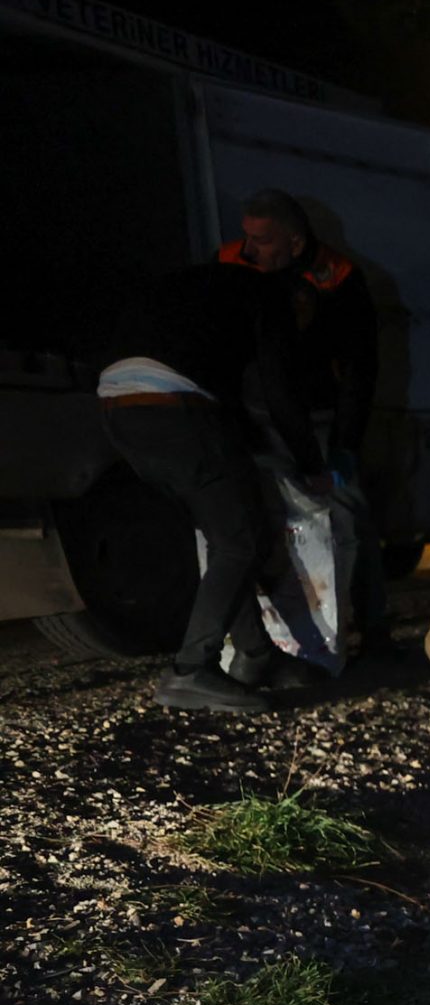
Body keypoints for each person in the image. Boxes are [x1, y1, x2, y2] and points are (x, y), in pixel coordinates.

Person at [95, 263, 331, 712]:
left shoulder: (205, 288)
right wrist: (311, 463)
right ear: (299, 301)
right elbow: (277, 387)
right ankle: (190, 671)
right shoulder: (272, 296)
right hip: (171, 407)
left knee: (227, 538)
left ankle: (257, 656)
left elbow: (224, 395)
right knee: (243, 542)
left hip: (118, 411)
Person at [220, 189, 388, 651]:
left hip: (318, 412)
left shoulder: (338, 279)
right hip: (257, 410)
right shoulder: (234, 262)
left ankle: (364, 628)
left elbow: (359, 370)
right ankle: (282, 634)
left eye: (263, 240)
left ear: (295, 243)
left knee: (347, 516)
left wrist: (344, 445)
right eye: (246, 236)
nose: (249, 249)